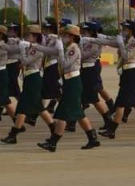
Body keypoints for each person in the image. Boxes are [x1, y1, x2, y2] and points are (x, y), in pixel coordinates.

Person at [86, 20, 135, 139]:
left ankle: (112, 130)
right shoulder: (124, 40)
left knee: (120, 103)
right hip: (126, 73)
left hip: (131, 73)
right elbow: (108, 41)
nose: (122, 30)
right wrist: (91, 39)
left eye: (125, 28)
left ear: (130, 30)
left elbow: (126, 56)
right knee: (134, 103)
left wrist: (120, 44)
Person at [37, 24, 100, 152]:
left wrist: (60, 51)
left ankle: (53, 142)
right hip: (68, 81)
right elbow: (49, 52)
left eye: (66, 35)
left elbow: (65, 64)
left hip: (73, 82)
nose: (64, 37)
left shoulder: (74, 48)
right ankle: (93, 139)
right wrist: (33, 46)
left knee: (62, 114)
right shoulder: (66, 47)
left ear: (73, 37)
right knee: (78, 114)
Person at [0, 24, 55, 144]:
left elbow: (25, 61)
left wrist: (22, 50)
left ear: (35, 36)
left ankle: (13, 134)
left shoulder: (38, 49)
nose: (26, 37)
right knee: (36, 108)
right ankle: (53, 129)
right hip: (29, 78)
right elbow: (16, 54)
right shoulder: (30, 47)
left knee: (24, 107)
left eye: (28, 35)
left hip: (34, 78)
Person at [77, 22, 113, 130]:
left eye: (85, 32)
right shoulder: (85, 40)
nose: (83, 34)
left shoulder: (95, 42)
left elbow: (83, 55)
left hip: (90, 70)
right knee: (85, 97)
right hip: (85, 70)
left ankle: (108, 120)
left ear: (91, 32)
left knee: (94, 99)